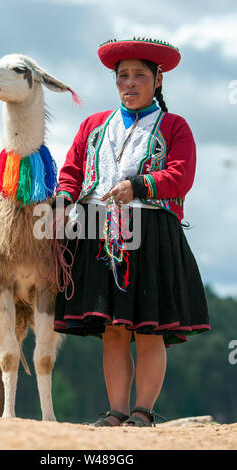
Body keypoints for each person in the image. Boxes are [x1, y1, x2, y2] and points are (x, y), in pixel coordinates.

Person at [52, 38, 210, 427]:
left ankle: (142, 412)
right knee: (114, 329)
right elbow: (72, 169)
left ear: (158, 80)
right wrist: (63, 199)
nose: (130, 83)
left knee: (148, 329)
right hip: (97, 232)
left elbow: (181, 175)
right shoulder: (93, 126)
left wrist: (138, 186)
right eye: (123, 76)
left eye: (140, 75)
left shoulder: (174, 126)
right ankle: (116, 412)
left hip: (150, 232)